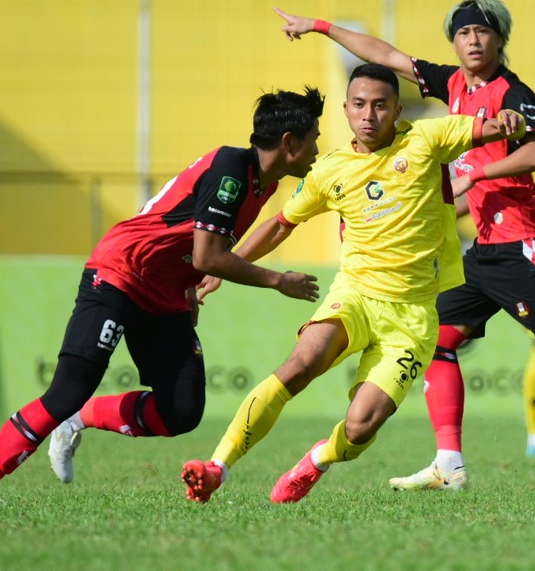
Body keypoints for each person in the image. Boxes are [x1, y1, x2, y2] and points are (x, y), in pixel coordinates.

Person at [180, 63, 525, 504]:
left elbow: (488, 128)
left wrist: (508, 121)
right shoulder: (329, 170)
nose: (369, 114)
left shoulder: (427, 139)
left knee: (361, 426)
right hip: (355, 295)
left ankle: (318, 459)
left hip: (412, 315)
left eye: (380, 105)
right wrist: (221, 266)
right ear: (345, 109)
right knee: (300, 365)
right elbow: (282, 224)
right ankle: (217, 467)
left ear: (398, 109)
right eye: (359, 104)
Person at [273, 0, 535, 489]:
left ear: (501, 38)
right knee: (441, 338)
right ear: (454, 42)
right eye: (463, 32)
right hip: (483, 251)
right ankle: (449, 464)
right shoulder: (452, 83)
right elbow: (386, 55)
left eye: (483, 31)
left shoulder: (513, 94)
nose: (472, 40)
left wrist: (476, 177)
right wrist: (320, 25)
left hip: (523, 244)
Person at [0, 87, 325, 484]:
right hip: (121, 274)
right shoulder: (231, 170)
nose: (317, 149)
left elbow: (186, 234)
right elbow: (207, 256)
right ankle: (61, 417)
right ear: (290, 142)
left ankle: (77, 420)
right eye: (314, 139)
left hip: (164, 292)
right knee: (68, 388)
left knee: (182, 411)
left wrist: (185, 286)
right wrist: (278, 280)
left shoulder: (265, 184)